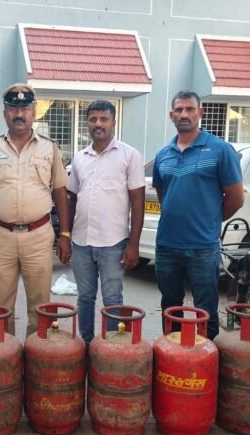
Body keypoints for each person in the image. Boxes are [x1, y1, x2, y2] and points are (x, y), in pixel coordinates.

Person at [0, 83, 71, 337]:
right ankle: (5, 356)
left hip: (38, 236)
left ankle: (37, 355)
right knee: (0, 306)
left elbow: (60, 192)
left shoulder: (49, 148)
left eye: (25, 108)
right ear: (4, 112)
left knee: (40, 306)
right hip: (0, 237)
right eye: (13, 108)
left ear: (34, 112)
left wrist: (65, 235)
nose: (19, 114)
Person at [152, 90, 244, 339]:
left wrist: (209, 220)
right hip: (166, 245)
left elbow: (236, 199)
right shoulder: (163, 154)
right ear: (172, 115)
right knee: (170, 306)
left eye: (189, 109)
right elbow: (163, 195)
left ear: (200, 112)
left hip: (203, 246)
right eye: (179, 110)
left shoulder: (220, 150)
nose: (184, 114)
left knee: (205, 309)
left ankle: (208, 356)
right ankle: (172, 355)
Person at [66, 100, 145, 345]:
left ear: (113, 122)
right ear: (87, 123)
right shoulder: (80, 158)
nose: (98, 124)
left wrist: (133, 245)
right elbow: (72, 199)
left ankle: (111, 348)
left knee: (112, 299)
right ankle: (87, 345)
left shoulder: (129, 155)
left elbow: (138, 202)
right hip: (81, 242)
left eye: (104, 119)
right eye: (93, 119)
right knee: (84, 298)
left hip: (113, 243)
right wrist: (66, 236)